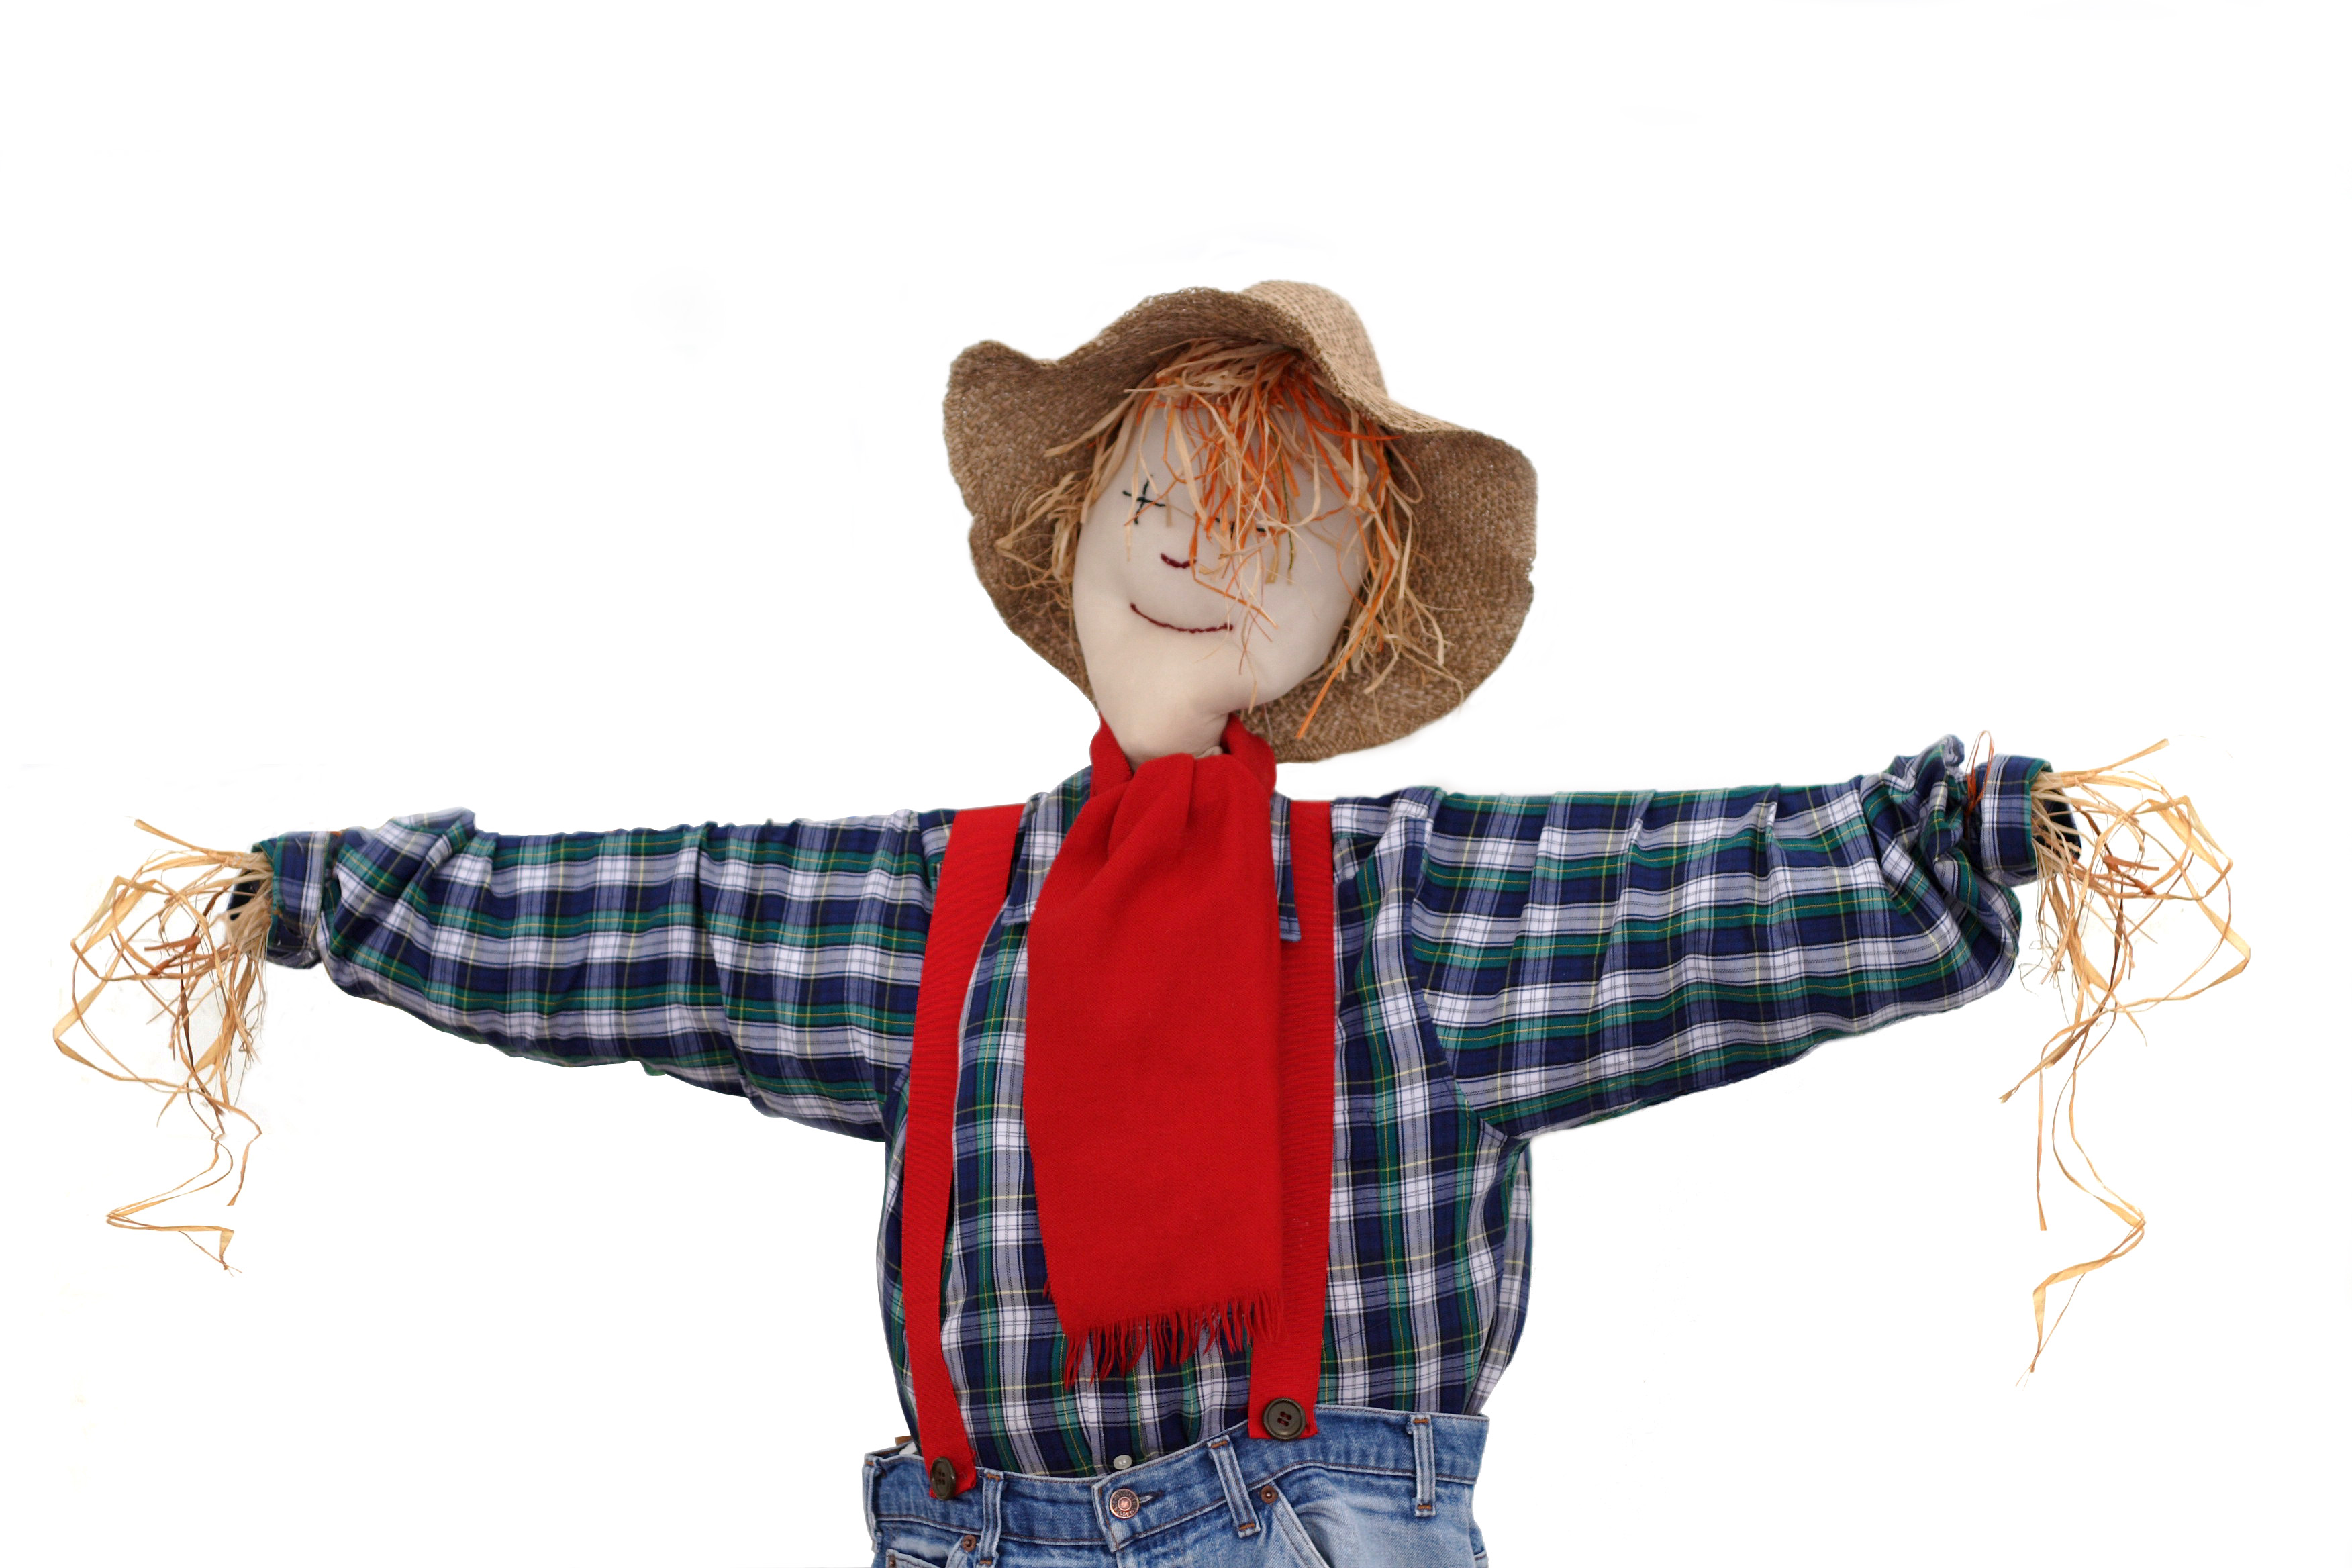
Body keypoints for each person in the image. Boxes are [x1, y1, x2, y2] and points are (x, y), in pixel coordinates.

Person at [75, 284, 2065, 1567]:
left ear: (1354, 610)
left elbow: (1694, 909)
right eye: (1155, 500)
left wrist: (1946, 842)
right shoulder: (935, 914)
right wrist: (336, 896)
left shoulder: (1408, 916)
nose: (1198, 547)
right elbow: (660, 921)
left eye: (1267, 521)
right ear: (1077, 536)